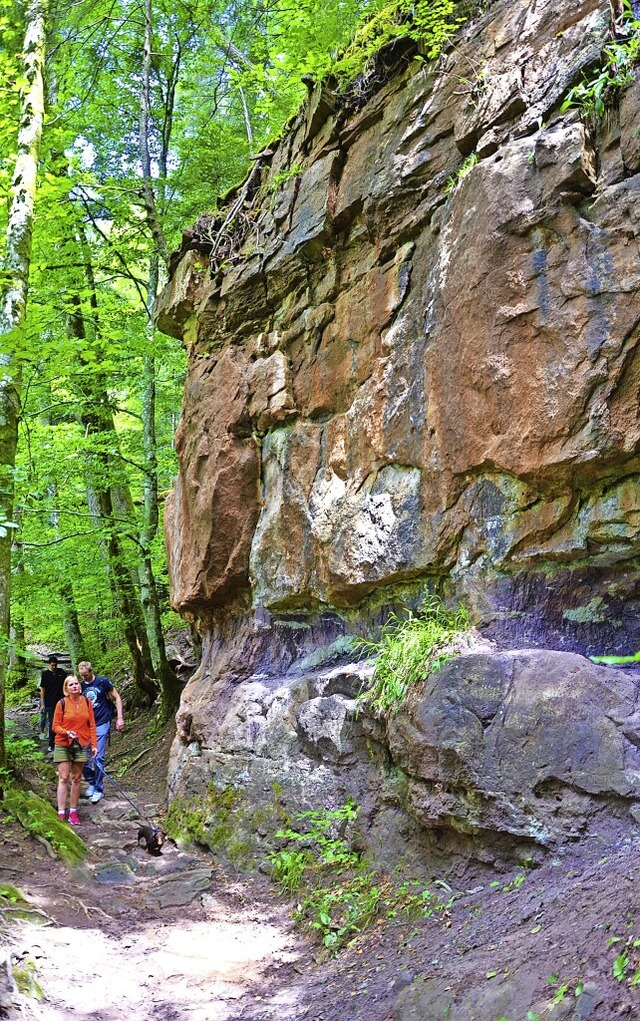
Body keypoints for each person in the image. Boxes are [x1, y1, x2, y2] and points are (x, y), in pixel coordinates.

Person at [52, 675, 97, 826]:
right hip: (63, 743)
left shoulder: (87, 702)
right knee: (64, 777)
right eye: (71, 685)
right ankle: (60, 812)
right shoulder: (62, 703)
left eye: (76, 684)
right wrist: (66, 732)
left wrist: (94, 745)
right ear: (66, 688)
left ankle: (73, 811)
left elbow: (92, 725)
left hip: (81, 744)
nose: (74, 686)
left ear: (80, 685)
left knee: (77, 778)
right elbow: (55, 726)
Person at [78, 661, 124, 804]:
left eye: (86, 675)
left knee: (98, 757)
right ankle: (91, 781)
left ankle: (99, 789)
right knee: (82, 757)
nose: (84, 678)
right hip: (85, 725)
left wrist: (120, 718)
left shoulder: (102, 682)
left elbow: (117, 697)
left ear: (91, 671)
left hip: (101, 722)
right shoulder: (80, 686)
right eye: (82, 675)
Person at [40, 656, 67, 753]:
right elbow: (43, 690)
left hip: (62, 702)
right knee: (52, 723)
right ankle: (51, 744)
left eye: (55, 665)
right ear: (49, 664)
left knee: (63, 722)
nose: (54, 667)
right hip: (50, 703)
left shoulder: (61, 673)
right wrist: (42, 704)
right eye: (52, 665)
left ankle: (62, 742)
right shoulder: (45, 674)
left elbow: (66, 685)